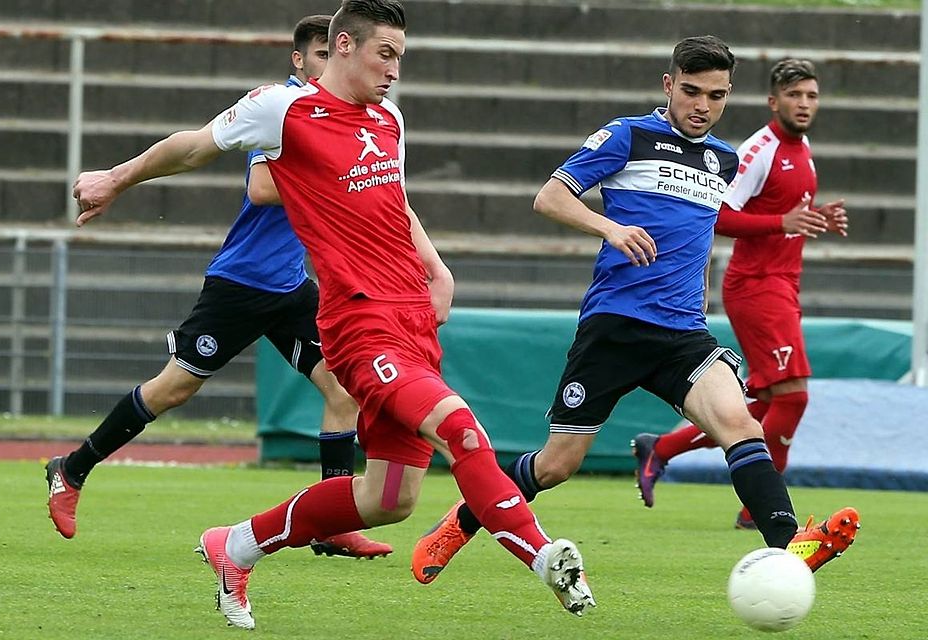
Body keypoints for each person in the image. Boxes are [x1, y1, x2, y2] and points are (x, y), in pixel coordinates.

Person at [70, 0, 595, 630]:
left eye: (401, 55)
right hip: (357, 323)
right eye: (385, 53)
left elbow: (395, 204)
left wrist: (437, 268)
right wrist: (116, 178)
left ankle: (235, 545)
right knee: (459, 429)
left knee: (387, 500)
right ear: (343, 45)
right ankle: (543, 555)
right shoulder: (281, 109)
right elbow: (191, 148)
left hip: (412, 321)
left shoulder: (389, 119)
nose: (395, 68)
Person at [411, 37, 859, 586]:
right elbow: (549, 197)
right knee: (557, 466)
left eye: (715, 96)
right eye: (691, 91)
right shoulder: (628, 136)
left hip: (683, 334)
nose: (702, 105)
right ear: (668, 85)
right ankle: (457, 524)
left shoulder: (722, 159)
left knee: (740, 424)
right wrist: (610, 227)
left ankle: (790, 547)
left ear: (728, 97)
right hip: (616, 327)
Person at [45, 14, 392, 560]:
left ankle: (329, 521)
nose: (332, 63)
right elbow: (258, 187)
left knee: (342, 391)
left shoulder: (365, 118)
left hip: (290, 285)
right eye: (320, 54)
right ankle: (71, 468)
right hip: (241, 282)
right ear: (301, 60)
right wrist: (333, 176)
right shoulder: (287, 107)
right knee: (173, 391)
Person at [631, 59, 850, 530]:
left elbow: (786, 212)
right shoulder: (759, 149)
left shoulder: (802, 147)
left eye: (811, 96)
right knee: (793, 399)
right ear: (774, 101)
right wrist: (781, 223)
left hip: (784, 284)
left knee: (769, 404)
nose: (804, 104)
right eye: (795, 96)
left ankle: (662, 447)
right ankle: (760, 509)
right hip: (756, 287)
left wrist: (818, 217)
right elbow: (720, 215)